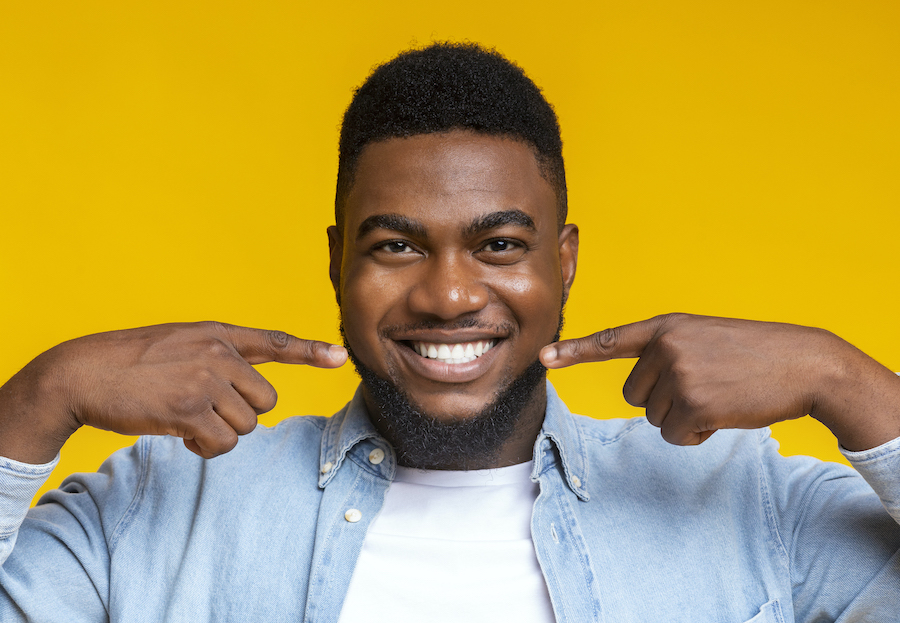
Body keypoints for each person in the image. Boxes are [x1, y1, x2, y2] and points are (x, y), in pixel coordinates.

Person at [1, 42, 899, 623]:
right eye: (396, 245)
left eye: (499, 244)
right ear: (336, 263)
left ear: (566, 262)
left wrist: (844, 379)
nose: (448, 293)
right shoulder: (153, 510)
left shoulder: (747, 504)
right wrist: (43, 395)